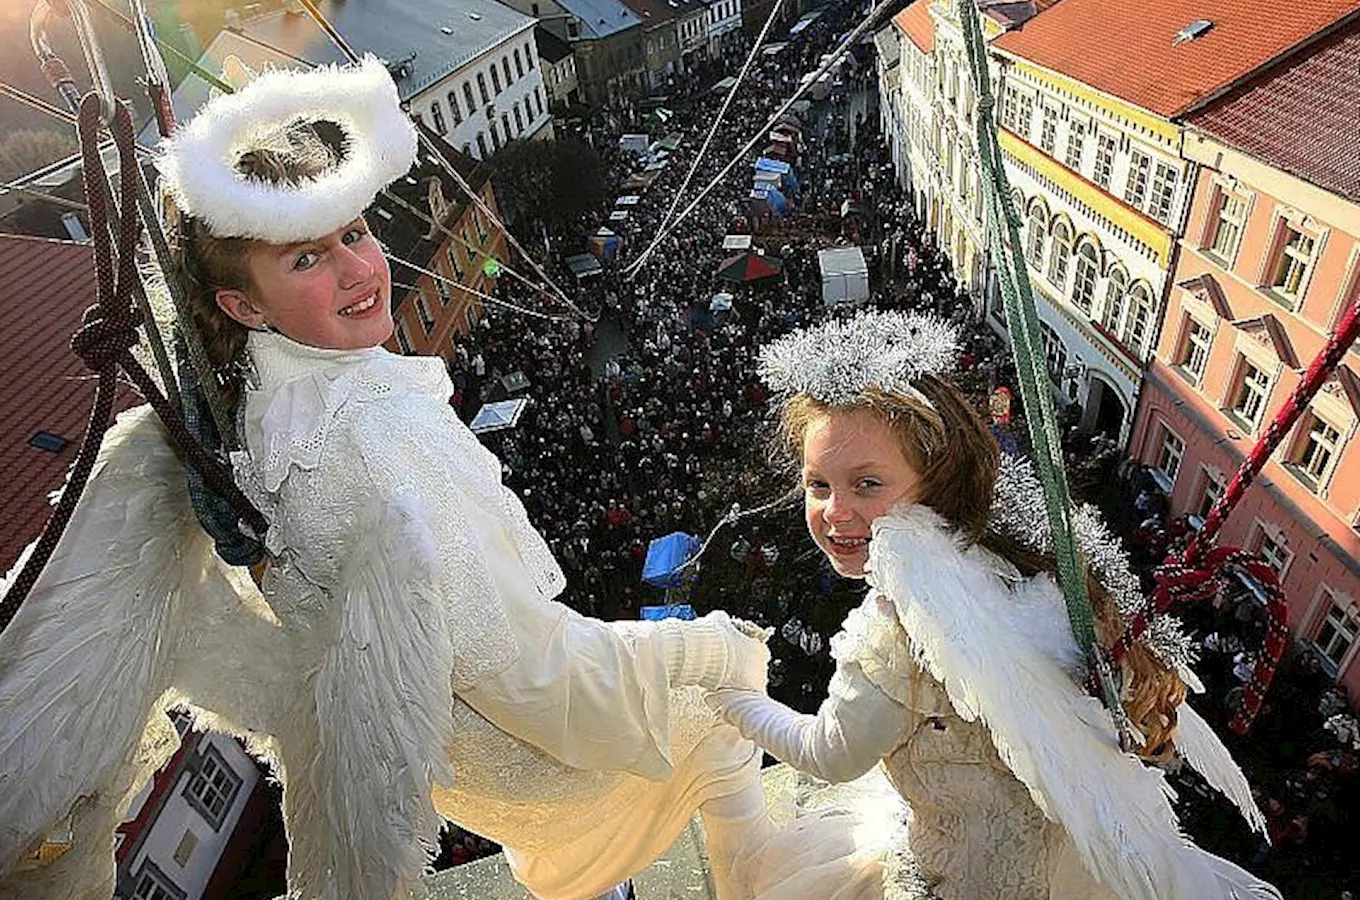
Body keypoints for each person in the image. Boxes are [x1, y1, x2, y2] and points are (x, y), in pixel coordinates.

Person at [0, 57, 853, 900]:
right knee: (717, 712)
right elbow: (522, 667)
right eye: (305, 259)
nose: (359, 271)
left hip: (449, 761)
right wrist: (703, 645)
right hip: (530, 755)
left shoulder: (255, 404)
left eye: (355, 233)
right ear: (242, 306)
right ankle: (755, 877)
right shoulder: (373, 430)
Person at [707, 310, 1283, 900]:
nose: (835, 510)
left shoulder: (896, 627)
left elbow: (828, 754)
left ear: (937, 479)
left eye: (867, 484)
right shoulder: (1013, 560)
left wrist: (735, 698)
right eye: (818, 485)